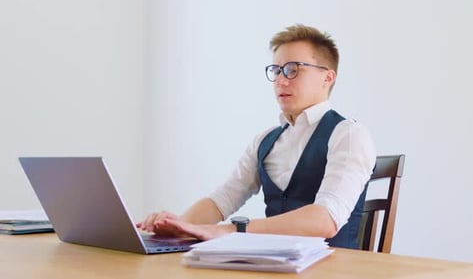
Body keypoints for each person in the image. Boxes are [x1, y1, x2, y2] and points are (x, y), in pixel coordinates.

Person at [137, 24, 376, 249]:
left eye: (293, 70)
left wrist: (232, 231)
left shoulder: (349, 135)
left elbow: (326, 219)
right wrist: (179, 227)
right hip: (273, 266)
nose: (281, 80)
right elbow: (223, 198)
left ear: (327, 77)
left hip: (334, 269)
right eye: (276, 70)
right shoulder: (265, 141)